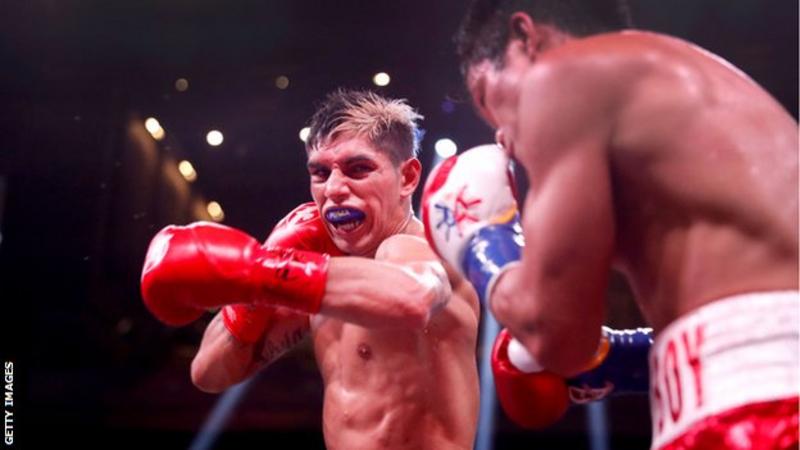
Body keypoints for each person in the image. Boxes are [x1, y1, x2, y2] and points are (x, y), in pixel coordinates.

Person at [425, 1, 799, 449]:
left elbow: (555, 333)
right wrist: (618, 360)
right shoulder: (692, 91)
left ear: (525, 37)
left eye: (491, 101)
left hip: (758, 410)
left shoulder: (562, 76)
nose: (502, 136)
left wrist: (481, 244)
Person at [140, 89, 481, 450]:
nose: (334, 189)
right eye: (320, 173)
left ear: (408, 177)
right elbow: (208, 373)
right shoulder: (326, 278)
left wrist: (260, 269)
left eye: (359, 169)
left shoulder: (421, 248)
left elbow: (412, 297)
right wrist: (261, 282)